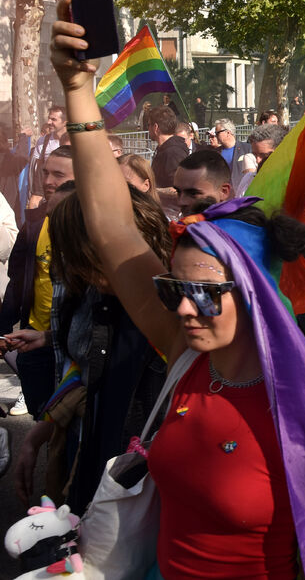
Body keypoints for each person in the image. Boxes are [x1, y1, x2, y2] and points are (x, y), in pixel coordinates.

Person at [49, 0, 305, 579]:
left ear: (252, 295)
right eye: (174, 288)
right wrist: (77, 88)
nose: (181, 307)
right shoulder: (184, 352)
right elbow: (113, 225)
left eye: (202, 293)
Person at [10, 184, 170, 513]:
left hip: (143, 498)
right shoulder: (93, 295)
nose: (65, 259)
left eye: (73, 247)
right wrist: (36, 436)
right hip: (94, 465)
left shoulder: (172, 316)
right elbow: (84, 374)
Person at [0, 147, 74, 418]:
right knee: (41, 413)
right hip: (34, 340)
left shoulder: (91, 228)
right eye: (45, 172)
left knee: (67, 425)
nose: (48, 181)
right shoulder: (33, 223)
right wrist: (3, 328)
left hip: (72, 346)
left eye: (58, 174)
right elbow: (17, 280)